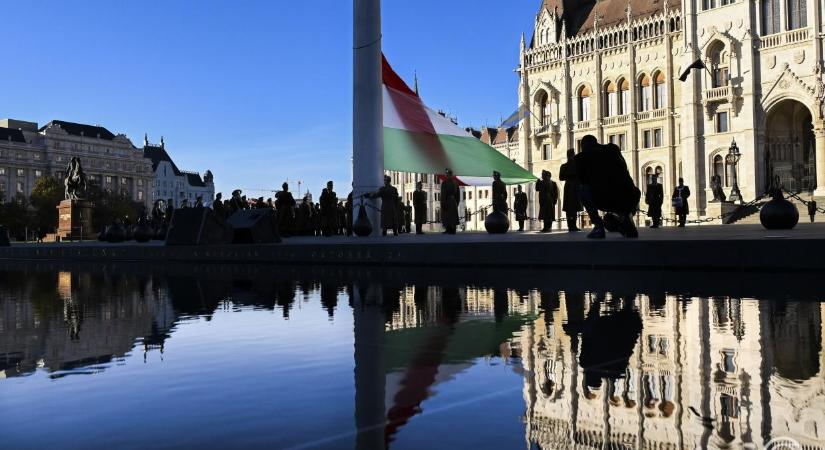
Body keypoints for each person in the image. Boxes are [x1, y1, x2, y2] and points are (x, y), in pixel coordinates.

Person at [574, 135, 641, 239]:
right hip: (632, 195)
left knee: (582, 189)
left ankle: (598, 226)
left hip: (605, 198)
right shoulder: (613, 148)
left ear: (583, 146)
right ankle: (625, 217)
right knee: (621, 194)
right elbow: (623, 168)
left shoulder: (580, 158)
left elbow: (581, 180)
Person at [559, 148, 582, 232]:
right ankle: (570, 225)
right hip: (570, 187)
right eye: (571, 154)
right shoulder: (564, 166)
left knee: (574, 207)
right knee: (569, 207)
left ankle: (573, 225)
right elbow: (561, 177)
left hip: (574, 187)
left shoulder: (576, 165)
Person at [441, 169, 461, 234]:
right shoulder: (455, 183)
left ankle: (450, 229)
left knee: (449, 215)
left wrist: (443, 203)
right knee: (451, 215)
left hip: (448, 200)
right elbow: (458, 195)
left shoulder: (445, 183)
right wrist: (457, 202)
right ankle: (451, 229)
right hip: (453, 201)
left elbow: (443, 194)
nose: (447, 175)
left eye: (448, 174)